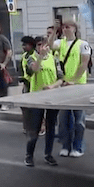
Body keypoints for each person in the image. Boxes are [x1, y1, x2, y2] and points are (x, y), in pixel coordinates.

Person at [48, 20, 91, 158]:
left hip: (78, 85)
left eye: (68, 27)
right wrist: (54, 31)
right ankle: (66, 146)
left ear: (74, 29)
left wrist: (74, 80)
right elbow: (49, 46)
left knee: (79, 119)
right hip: (64, 84)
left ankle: (78, 146)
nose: (65, 29)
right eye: (63, 27)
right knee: (64, 119)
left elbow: (84, 64)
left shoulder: (83, 44)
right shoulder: (61, 43)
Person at [23, 37, 60, 167]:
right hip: (36, 98)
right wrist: (40, 57)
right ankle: (29, 155)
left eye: (45, 45)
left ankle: (48, 154)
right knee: (35, 129)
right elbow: (34, 70)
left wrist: (53, 86)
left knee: (51, 128)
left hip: (52, 97)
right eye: (39, 45)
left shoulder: (54, 59)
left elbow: (61, 78)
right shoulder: (31, 58)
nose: (42, 48)